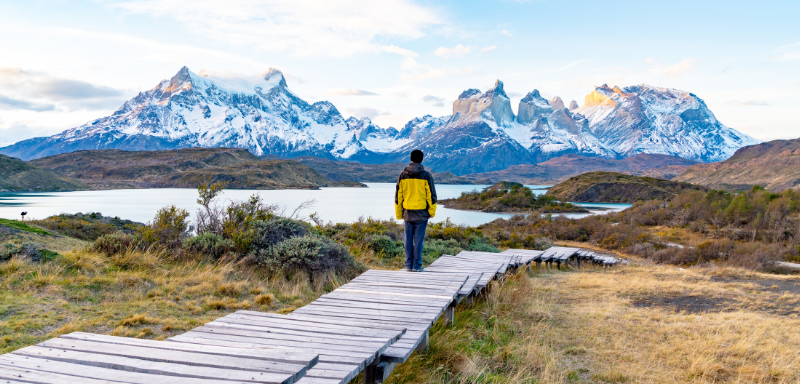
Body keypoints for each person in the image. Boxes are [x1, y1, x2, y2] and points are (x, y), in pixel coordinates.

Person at [395, 149, 437, 272]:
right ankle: (417, 266)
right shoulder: (426, 175)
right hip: (422, 213)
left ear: (411, 159)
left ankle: (408, 265)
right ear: (422, 159)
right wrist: (432, 212)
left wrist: (399, 213)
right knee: (419, 240)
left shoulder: (403, 175)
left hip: (407, 212)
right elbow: (431, 196)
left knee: (407, 239)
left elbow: (398, 196)